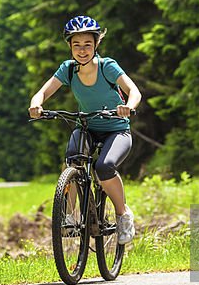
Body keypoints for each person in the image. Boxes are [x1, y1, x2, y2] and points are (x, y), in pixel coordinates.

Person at [28, 15, 142, 245]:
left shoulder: (107, 66)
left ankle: (123, 214)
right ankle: (69, 216)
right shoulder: (68, 70)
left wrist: (129, 107)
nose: (82, 50)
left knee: (104, 166)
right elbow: (43, 92)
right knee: (72, 161)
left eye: (87, 44)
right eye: (76, 45)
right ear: (69, 46)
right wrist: (36, 104)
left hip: (116, 130)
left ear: (96, 44)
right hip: (87, 127)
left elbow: (134, 91)